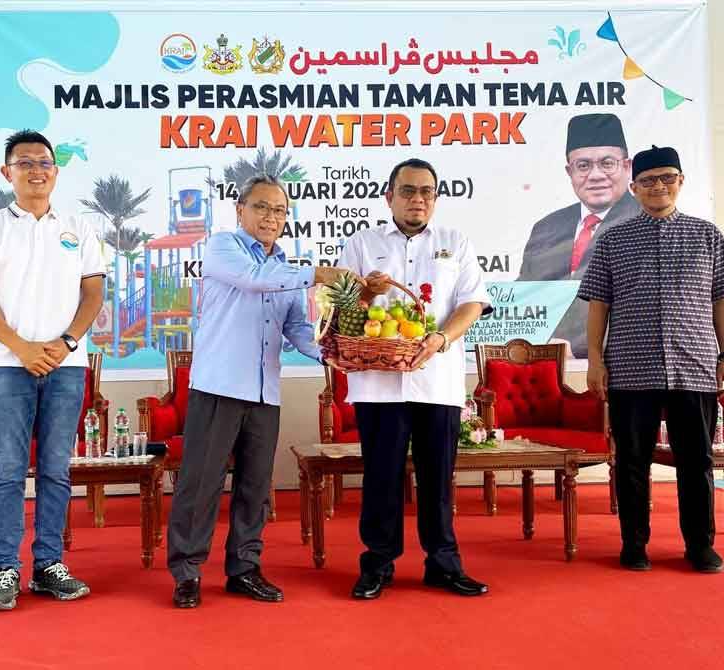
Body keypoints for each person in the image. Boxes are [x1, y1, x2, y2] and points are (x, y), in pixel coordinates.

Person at [168, 174, 355, 608]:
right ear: (240, 210)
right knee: (201, 485)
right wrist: (318, 273)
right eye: (262, 207)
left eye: (279, 210)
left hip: (264, 391)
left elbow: (296, 329)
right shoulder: (222, 247)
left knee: (255, 486)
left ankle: (244, 568)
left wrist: (332, 354)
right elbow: (253, 279)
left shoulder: (288, 268)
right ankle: (187, 572)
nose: (271, 217)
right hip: (219, 386)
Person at [0, 129, 104, 610]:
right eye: (25, 163)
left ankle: (49, 566)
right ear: (7, 173)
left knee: (56, 469)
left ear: (56, 172)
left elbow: (93, 294)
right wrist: (21, 347)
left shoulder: (79, 227)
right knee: (7, 471)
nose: (36, 170)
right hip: (7, 366)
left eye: (44, 162)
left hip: (66, 366)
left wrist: (65, 343)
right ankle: (5, 570)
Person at [337, 158, 493, 600]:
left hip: (437, 379)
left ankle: (443, 564)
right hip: (378, 383)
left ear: (436, 199)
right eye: (407, 191)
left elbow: (472, 304)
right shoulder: (362, 244)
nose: (417, 199)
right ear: (389, 197)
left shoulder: (455, 242)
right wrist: (367, 291)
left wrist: (440, 339)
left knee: (437, 477)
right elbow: (343, 311)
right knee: (381, 476)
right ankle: (378, 565)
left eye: (426, 191)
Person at [578, 145, 724, 573]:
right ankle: (634, 544)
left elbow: (720, 301)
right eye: (648, 180)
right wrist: (595, 362)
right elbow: (598, 305)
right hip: (630, 366)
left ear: (681, 182)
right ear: (634, 187)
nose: (658, 186)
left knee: (696, 462)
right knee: (632, 461)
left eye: (667, 178)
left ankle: (700, 546)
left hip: (694, 364)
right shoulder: (614, 239)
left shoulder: (707, 235)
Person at [518, 113, 640, 358]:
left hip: (620, 363)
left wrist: (578, 348)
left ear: (627, 167)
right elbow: (526, 297)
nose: (595, 175)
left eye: (607, 163)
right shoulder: (546, 228)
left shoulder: (643, 223)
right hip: (546, 364)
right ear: (569, 171)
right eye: (583, 165)